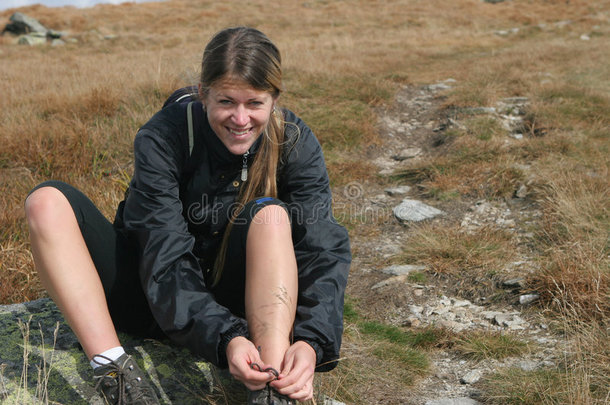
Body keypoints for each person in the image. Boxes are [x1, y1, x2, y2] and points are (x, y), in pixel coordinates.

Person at [24, 26, 351, 405]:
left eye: (255, 103)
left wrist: (311, 342)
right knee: (45, 201)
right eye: (227, 101)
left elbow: (321, 246)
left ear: (274, 99)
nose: (241, 119)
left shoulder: (294, 140)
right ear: (202, 92)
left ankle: (272, 385)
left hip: (241, 305)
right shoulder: (163, 137)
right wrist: (224, 337)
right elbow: (162, 250)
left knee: (273, 216)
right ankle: (116, 375)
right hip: (149, 293)